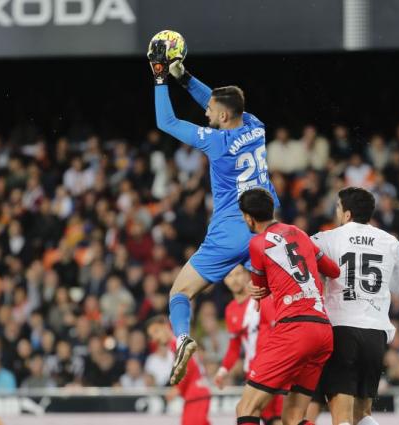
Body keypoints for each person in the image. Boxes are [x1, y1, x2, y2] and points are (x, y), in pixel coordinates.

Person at [147, 35, 279, 384]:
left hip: (230, 228)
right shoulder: (256, 127)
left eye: (210, 112)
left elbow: (168, 123)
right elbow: (220, 102)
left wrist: (161, 76)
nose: (205, 113)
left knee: (180, 292)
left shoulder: (217, 142)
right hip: (265, 228)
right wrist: (184, 76)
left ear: (222, 116)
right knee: (272, 301)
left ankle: (182, 338)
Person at [304, 187, 399, 425]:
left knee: (342, 417)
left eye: (337, 207)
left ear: (346, 214)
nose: (335, 212)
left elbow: (299, 262)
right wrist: (382, 283)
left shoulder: (326, 239)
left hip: (341, 330)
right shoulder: (390, 242)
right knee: (362, 415)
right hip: (375, 333)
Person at [235, 188, 339, 425]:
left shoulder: (258, 244)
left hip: (295, 328)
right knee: (292, 418)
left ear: (249, 217)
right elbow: (333, 270)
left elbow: (261, 288)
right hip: (323, 330)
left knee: (246, 407)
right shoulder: (300, 234)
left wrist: (255, 289)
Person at [216, 265, 282, 425]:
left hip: (272, 366)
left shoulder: (261, 299)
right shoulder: (230, 309)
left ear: (247, 275)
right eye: (230, 276)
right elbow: (234, 346)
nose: (235, 279)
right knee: (270, 418)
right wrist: (223, 371)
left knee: (248, 412)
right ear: (224, 280)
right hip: (252, 371)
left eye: (239, 273)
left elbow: (278, 330)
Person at [146, 315, 211, 425]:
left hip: (195, 395)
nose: (155, 338)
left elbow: (187, 364)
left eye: (156, 332)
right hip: (195, 395)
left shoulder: (177, 342)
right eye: (152, 336)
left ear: (166, 326)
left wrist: (177, 388)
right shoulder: (176, 343)